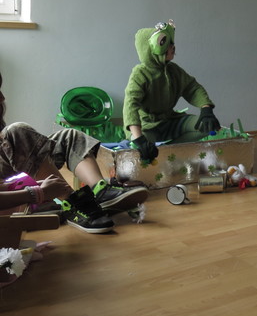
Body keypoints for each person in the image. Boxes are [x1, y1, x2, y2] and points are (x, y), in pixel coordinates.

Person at [0, 71, 148, 233]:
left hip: (13, 178)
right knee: (16, 132)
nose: (2, 97)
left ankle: (101, 191)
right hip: (10, 191)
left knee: (69, 136)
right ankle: (74, 202)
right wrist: (36, 193)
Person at [123, 20, 221, 163]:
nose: (172, 47)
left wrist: (206, 109)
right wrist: (139, 140)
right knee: (141, 148)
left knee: (207, 127)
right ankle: (151, 146)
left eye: (171, 43)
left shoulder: (173, 70)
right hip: (147, 127)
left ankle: (167, 150)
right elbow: (130, 105)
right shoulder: (140, 74)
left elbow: (192, 88)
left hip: (169, 121)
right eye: (166, 44)